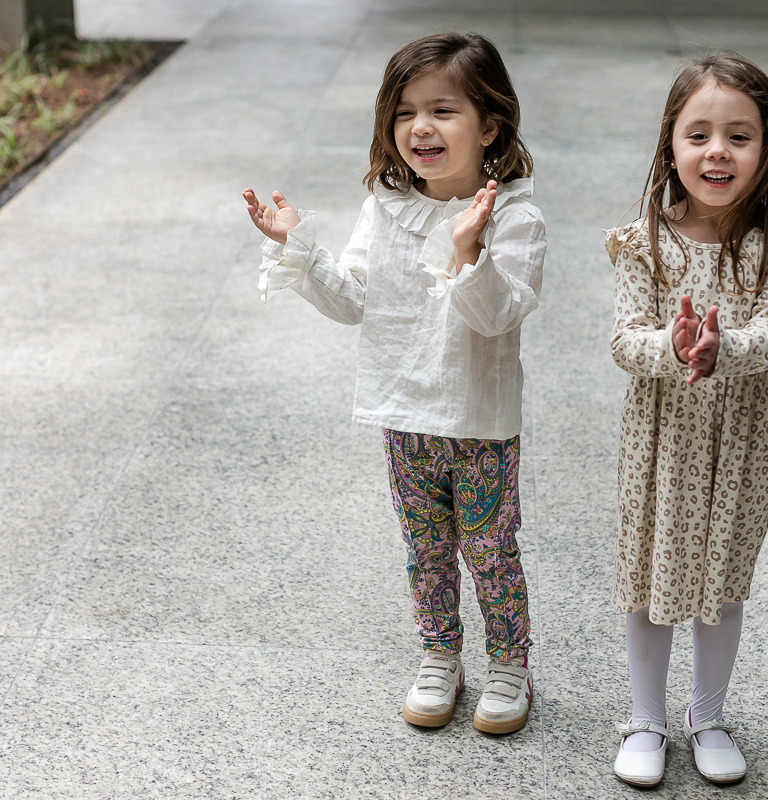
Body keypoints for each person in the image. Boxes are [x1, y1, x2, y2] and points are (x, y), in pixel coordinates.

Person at [242, 32, 546, 735]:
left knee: (490, 548)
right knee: (426, 547)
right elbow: (355, 300)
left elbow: (498, 315)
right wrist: (298, 248)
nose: (420, 128)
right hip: (404, 413)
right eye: (405, 112)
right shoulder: (385, 205)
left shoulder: (517, 217)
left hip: (478, 421)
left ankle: (509, 665)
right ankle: (440, 654)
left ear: (490, 124)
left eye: (442, 110)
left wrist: (469, 251)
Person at [605, 52, 768, 786]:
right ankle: (645, 720)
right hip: (662, 438)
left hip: (740, 440)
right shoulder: (645, 243)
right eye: (698, 134)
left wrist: (722, 347)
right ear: (670, 144)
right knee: (651, 573)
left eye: (740, 135)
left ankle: (708, 714)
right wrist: (671, 345)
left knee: (721, 579)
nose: (717, 151)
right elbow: (624, 340)